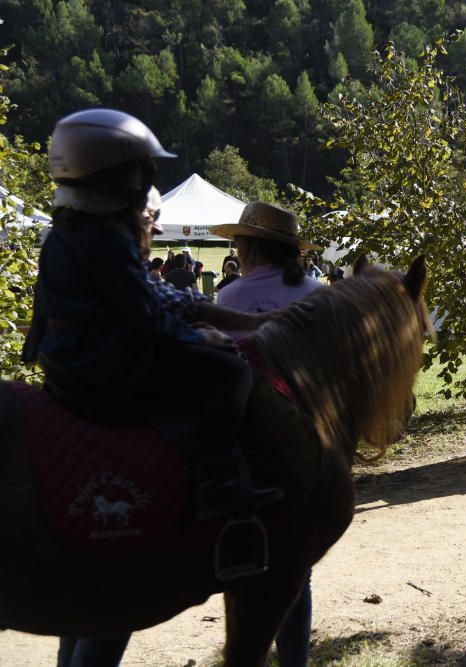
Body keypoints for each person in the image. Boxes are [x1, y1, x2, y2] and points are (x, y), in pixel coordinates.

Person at [23, 108, 284, 521]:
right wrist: (203, 338)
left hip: (70, 361)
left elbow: (158, 297)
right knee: (229, 373)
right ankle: (220, 484)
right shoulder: (106, 238)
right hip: (102, 363)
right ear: (114, 178)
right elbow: (147, 317)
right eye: (138, 172)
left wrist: (249, 323)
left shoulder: (69, 230)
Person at [212, 201, 324, 667]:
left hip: (246, 450)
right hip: (306, 441)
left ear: (251, 246)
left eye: (238, 240)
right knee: (298, 570)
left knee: (246, 567)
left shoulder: (229, 297)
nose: (235, 247)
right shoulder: (319, 292)